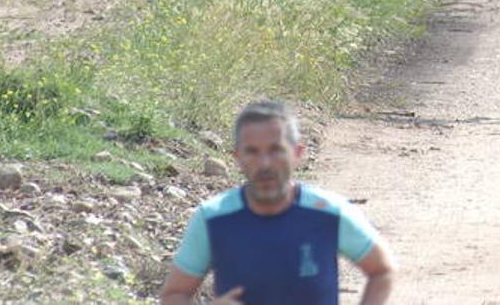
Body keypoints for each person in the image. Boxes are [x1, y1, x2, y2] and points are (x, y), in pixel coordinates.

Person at [159, 99, 394, 304]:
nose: (265, 164)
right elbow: (174, 294)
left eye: (276, 150)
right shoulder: (213, 218)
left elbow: (382, 270)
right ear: (237, 157)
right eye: (252, 152)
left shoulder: (328, 213)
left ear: (298, 153)